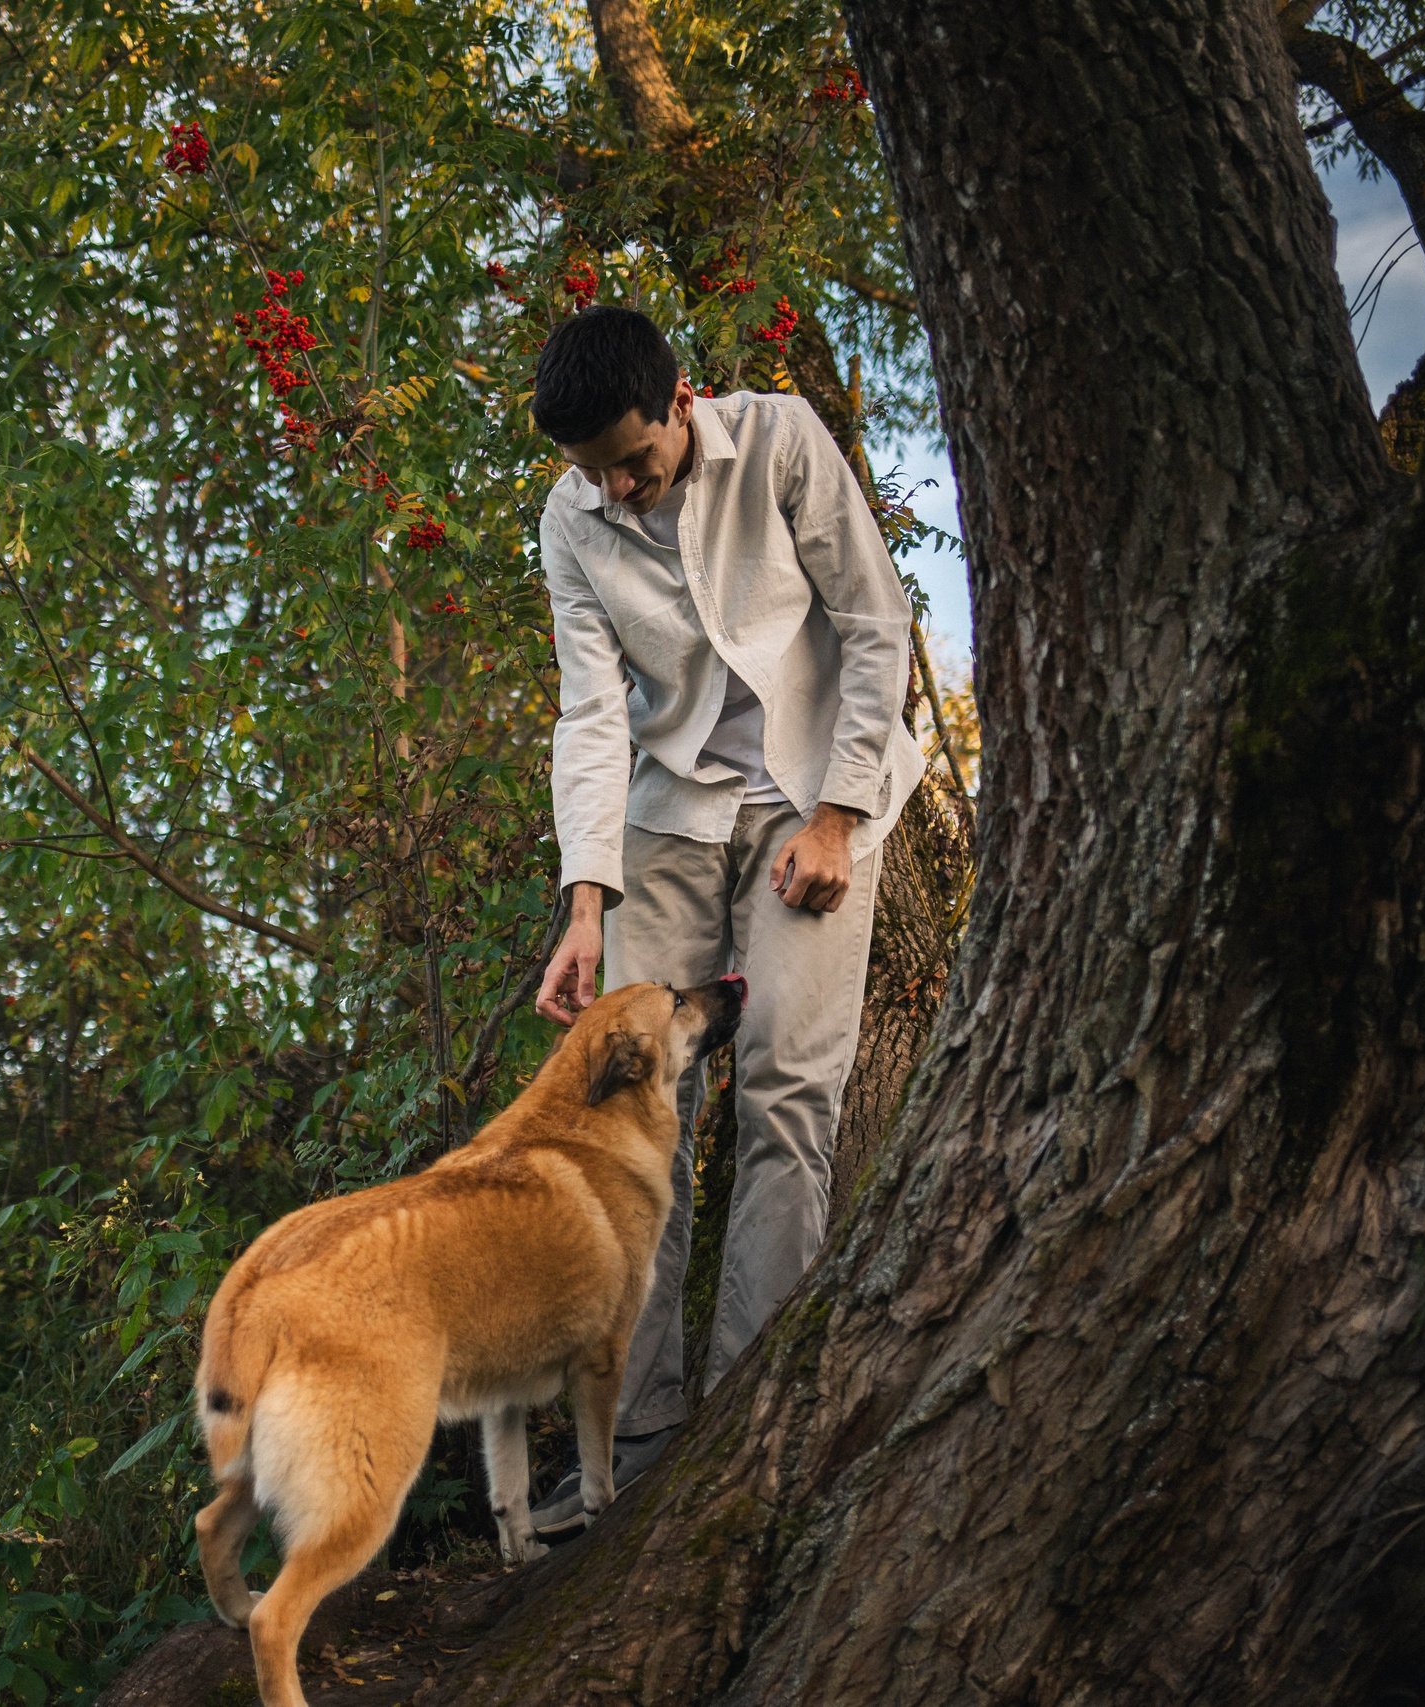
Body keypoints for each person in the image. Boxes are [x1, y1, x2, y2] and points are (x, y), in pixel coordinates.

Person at [525, 305, 926, 1538]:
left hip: (813, 796)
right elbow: (591, 715)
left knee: (788, 1091)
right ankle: (634, 1431)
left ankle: (753, 1416)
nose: (621, 491)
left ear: (682, 400)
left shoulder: (784, 441)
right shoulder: (572, 516)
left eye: (633, 462)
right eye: (596, 473)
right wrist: (585, 902)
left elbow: (872, 625)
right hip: (669, 813)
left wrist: (841, 819)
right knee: (626, 1103)